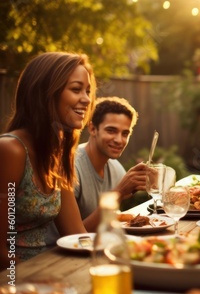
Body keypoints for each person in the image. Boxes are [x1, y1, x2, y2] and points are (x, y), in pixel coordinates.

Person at [0, 52, 96, 269]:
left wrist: (125, 249)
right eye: (76, 89)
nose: (87, 99)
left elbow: (76, 234)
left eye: (88, 91)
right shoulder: (11, 151)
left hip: (52, 272)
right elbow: (1, 252)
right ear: (45, 94)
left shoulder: (57, 154)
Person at [46, 97, 148, 244]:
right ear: (93, 129)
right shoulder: (70, 167)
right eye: (111, 131)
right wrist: (118, 193)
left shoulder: (116, 169)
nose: (119, 140)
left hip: (94, 248)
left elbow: (108, 223)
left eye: (125, 133)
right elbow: (74, 237)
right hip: (56, 255)